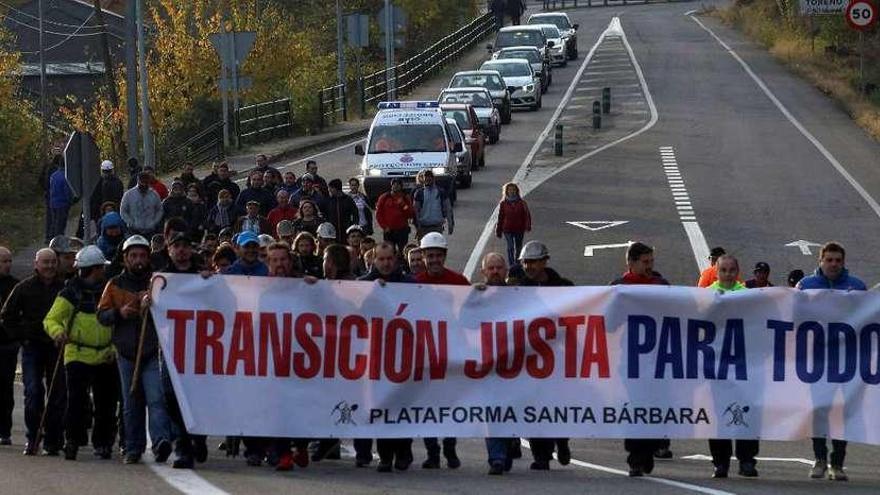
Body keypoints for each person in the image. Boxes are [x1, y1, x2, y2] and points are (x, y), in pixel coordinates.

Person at [97, 235, 173, 465]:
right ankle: (133, 447)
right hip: (126, 352)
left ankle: (161, 441)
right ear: (125, 259)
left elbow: (173, 311)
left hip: (151, 350)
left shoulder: (157, 282)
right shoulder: (115, 285)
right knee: (131, 403)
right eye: (134, 256)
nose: (138, 260)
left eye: (142, 255)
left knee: (156, 398)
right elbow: (101, 315)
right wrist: (120, 313)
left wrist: (154, 307)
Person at [797, 242, 866, 482]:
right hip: (815, 362)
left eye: (838, 260)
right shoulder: (806, 286)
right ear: (820, 261)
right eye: (829, 260)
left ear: (843, 262)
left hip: (846, 363)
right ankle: (819, 459)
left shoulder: (856, 287)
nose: (834, 264)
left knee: (842, 412)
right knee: (819, 411)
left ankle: (838, 463)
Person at [43, 246, 117, 461]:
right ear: (94, 269)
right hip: (77, 353)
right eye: (101, 267)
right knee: (76, 402)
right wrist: (58, 333)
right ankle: (73, 440)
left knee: (106, 402)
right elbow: (51, 320)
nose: (103, 271)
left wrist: (113, 348)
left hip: (105, 354)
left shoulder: (109, 290)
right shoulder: (69, 293)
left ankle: (103, 443)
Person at [507, 240, 573, 470]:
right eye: (526, 263)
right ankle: (541, 456)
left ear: (544, 262)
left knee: (556, 406)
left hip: (558, 358)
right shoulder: (517, 290)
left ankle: (562, 442)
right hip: (530, 361)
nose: (529, 267)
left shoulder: (564, 287)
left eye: (533, 262)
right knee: (534, 408)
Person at [610, 242, 671, 477]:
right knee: (636, 408)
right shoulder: (619, 287)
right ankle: (636, 457)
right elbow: (609, 321)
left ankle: (650, 449)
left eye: (651, 262)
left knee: (655, 406)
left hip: (658, 359)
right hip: (631, 359)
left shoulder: (661, 285)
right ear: (631, 263)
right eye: (645, 262)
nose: (649, 266)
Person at [0, 248, 66, 455]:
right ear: (36, 264)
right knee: (33, 392)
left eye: (53, 262)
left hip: (57, 348)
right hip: (32, 348)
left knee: (57, 394)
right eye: (45, 262)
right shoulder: (23, 288)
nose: (49, 266)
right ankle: (33, 437)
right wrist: (21, 335)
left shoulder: (65, 289)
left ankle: (53, 441)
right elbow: (7, 316)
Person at [357, 242, 415, 471]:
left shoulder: (411, 285)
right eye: (380, 259)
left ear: (396, 259)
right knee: (379, 407)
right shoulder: (363, 285)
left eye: (389, 258)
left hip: (403, 358)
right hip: (374, 359)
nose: (385, 263)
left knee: (401, 408)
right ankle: (385, 456)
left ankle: (403, 451)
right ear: (373, 260)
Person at [413, 232, 466, 469]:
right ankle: (432, 451)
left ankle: (450, 447)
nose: (434, 260)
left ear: (444, 256)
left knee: (450, 404)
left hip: (452, 353)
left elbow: (474, 311)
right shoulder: (413, 284)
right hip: (424, 355)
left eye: (438, 255)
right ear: (423, 256)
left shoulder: (460, 282)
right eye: (429, 255)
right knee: (427, 406)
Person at [704, 254, 757, 478]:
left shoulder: (747, 295)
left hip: (744, 363)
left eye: (731, 270)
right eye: (723, 270)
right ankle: (720, 462)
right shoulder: (707, 295)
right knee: (718, 414)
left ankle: (747, 461)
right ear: (716, 272)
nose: (727, 274)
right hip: (716, 364)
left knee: (747, 413)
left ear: (737, 272)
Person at [159, 233, 209, 469]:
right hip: (170, 347)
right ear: (169, 250)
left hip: (199, 346)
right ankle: (182, 444)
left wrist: (212, 284)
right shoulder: (161, 278)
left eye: (185, 246)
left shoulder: (203, 275)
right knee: (171, 396)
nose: (180, 250)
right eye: (176, 246)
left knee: (197, 396)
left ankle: (196, 438)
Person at [476, 252, 521, 475]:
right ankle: (497, 457)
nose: (495, 272)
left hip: (516, 365)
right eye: (490, 268)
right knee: (492, 411)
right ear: (483, 272)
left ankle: (510, 442)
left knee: (512, 409)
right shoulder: (475, 295)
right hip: (489, 366)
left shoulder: (518, 294)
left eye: (498, 268)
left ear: (505, 271)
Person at [0, 246, 20, 445]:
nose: (7, 265)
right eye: (3, 261)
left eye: (9, 261)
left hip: (7, 344)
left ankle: (4, 430)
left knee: (5, 388)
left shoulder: (16, 286)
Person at [495, 182, 531, 266]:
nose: (512, 191)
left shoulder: (522, 203)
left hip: (519, 228)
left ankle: (517, 263)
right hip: (507, 229)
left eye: (513, 190)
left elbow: (526, 215)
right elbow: (500, 217)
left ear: (517, 191)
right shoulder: (503, 203)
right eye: (510, 190)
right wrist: (498, 230)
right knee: (510, 247)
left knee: (518, 247)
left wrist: (527, 225)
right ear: (506, 191)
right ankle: (511, 264)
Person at [375, 178, 414, 255]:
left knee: (402, 252)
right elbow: (379, 214)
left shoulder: (405, 198)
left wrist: (403, 205)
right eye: (394, 184)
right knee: (389, 252)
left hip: (402, 230)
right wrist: (384, 227)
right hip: (389, 231)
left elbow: (410, 214)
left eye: (397, 185)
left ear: (401, 186)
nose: (395, 186)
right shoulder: (384, 197)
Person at [121, 171, 164, 237]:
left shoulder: (154, 194)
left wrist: (154, 222)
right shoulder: (128, 194)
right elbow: (123, 211)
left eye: (146, 182)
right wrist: (131, 223)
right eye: (142, 182)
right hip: (134, 231)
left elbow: (160, 210)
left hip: (150, 231)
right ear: (138, 181)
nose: (144, 184)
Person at [413, 170, 454, 239]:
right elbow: (415, 211)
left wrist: (450, 224)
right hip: (423, 228)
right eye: (426, 177)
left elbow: (448, 208)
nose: (428, 179)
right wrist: (417, 227)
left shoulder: (441, 192)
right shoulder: (419, 193)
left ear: (433, 179)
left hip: (437, 227)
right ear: (423, 179)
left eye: (430, 177)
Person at [320, 179, 359, 244]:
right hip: (332, 233)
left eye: (331, 188)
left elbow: (355, 214)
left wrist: (353, 225)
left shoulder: (348, 200)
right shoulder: (328, 201)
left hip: (346, 232)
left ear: (336, 189)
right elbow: (323, 214)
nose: (329, 190)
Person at [40, 154, 62, 243]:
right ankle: (54, 237)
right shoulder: (56, 171)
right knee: (56, 218)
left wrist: (46, 189)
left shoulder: (47, 168)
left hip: (49, 195)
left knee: (50, 217)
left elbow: (41, 180)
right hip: (55, 196)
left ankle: (48, 236)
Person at [48, 165, 73, 239]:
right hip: (62, 203)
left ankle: (51, 238)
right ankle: (58, 240)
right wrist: (70, 201)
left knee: (54, 222)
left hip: (53, 202)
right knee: (61, 224)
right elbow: (67, 191)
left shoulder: (53, 175)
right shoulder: (65, 176)